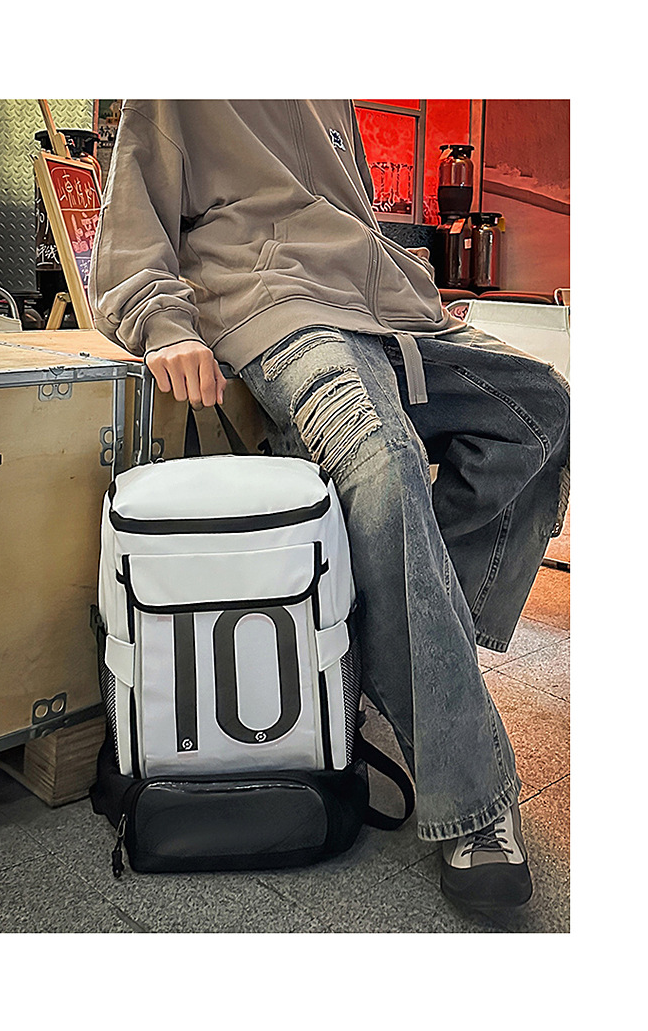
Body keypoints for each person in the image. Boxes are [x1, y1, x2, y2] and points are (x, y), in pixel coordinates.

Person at [89, 99, 569, 913]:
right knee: (383, 461)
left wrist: (410, 291)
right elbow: (129, 235)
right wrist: (164, 325)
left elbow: (346, 216)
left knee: (544, 410)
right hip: (277, 306)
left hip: (389, 312)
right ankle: (473, 800)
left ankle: (401, 634)